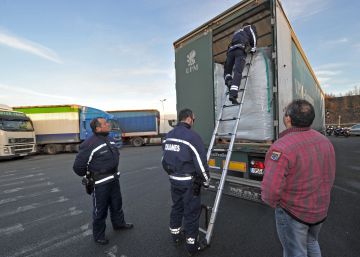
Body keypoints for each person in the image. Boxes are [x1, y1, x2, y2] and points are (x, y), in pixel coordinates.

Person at [261, 99, 336, 257]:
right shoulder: (325, 141)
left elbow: (270, 190)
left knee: (295, 251)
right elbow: (330, 175)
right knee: (311, 242)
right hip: (320, 210)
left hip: (293, 212)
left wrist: (274, 204)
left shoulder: (281, 147)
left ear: (288, 119)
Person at [73, 117, 133, 245]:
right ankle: (99, 235)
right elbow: (78, 167)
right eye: (105, 123)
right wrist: (91, 174)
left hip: (114, 179)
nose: (108, 124)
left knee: (117, 204)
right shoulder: (89, 144)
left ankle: (119, 224)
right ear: (98, 128)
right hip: (100, 183)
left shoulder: (109, 139)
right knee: (100, 210)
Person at [162, 108, 210, 256]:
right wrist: (206, 180)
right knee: (191, 213)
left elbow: (164, 160)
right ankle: (192, 246)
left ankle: (176, 236)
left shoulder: (168, 136)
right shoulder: (192, 137)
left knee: (176, 207)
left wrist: (172, 173)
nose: (194, 121)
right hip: (189, 182)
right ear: (189, 119)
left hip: (174, 180)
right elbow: (200, 163)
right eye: (194, 119)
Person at [224, 22, 257, 104]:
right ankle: (233, 94)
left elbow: (230, 44)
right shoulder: (249, 27)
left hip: (230, 51)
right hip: (240, 50)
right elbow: (253, 36)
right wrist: (253, 48)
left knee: (227, 71)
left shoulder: (236, 32)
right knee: (238, 72)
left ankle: (229, 81)